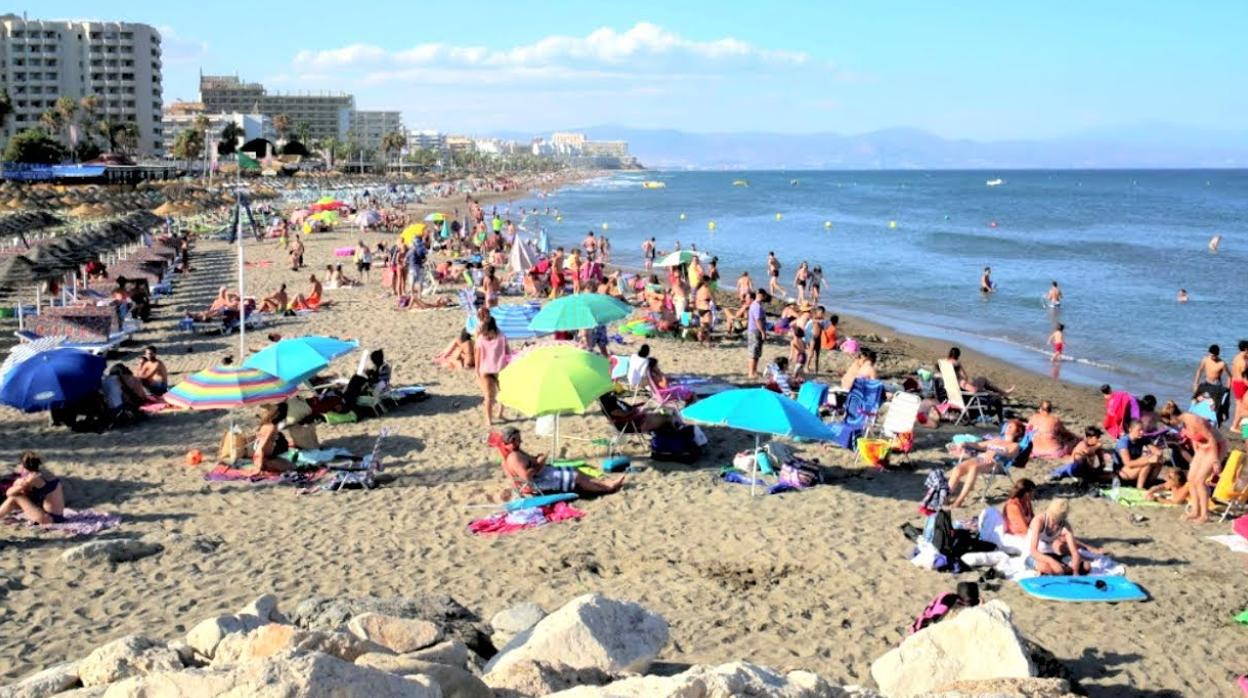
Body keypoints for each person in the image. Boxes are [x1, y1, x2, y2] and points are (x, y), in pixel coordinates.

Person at [499, 427, 624, 495]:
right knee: (576, 477)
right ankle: (608, 489)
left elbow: (529, 465)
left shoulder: (515, 452)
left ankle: (607, 482)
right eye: (518, 439)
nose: (521, 442)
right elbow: (527, 476)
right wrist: (540, 462)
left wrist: (536, 459)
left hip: (542, 474)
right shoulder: (514, 457)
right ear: (512, 440)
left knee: (576, 470)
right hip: (538, 483)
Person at [1159, 401, 1226, 522]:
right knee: (1191, 478)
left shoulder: (1194, 420)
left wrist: (1216, 460)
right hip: (1202, 447)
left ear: (1173, 417)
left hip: (1216, 446)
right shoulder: (1183, 423)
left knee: (1200, 481)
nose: (1171, 426)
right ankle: (1195, 511)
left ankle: (1204, 515)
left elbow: (1211, 439)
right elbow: (1194, 438)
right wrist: (1196, 457)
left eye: (1170, 423)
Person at [947, 419, 1025, 508]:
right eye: (1008, 426)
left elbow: (1010, 454)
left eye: (1011, 427)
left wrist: (997, 452)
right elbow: (979, 445)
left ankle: (959, 500)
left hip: (996, 463)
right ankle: (946, 496)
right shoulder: (997, 440)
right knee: (957, 469)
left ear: (1018, 432)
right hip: (981, 459)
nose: (1007, 428)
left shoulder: (1015, 445)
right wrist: (965, 443)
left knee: (974, 468)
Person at [1027, 499, 1099, 576]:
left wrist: (1075, 570)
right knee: (1048, 567)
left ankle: (1059, 571)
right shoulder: (1039, 521)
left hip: (1051, 554)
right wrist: (1052, 562)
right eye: (1053, 518)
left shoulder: (1065, 526)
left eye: (1057, 519)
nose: (1053, 522)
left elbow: (1074, 552)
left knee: (1086, 566)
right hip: (1034, 555)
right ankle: (1058, 571)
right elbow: (1033, 551)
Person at [0, 451, 65, 525]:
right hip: (57, 516)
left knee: (15, 497)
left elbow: (9, 493)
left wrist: (19, 484)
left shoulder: (32, 478)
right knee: (19, 498)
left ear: (23, 466)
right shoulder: (46, 473)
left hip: (49, 518)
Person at [474, 316, 510, 428]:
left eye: (483, 328)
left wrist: (509, 365)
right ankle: (488, 419)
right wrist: (477, 371)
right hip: (486, 370)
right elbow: (477, 356)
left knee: (503, 394)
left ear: (490, 328)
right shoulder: (480, 339)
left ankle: (500, 414)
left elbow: (507, 352)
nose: (480, 330)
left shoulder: (502, 337)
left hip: (500, 369)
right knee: (489, 396)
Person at [1114, 419, 1166, 488]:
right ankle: (1140, 488)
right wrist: (1148, 460)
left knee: (1159, 462)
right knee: (1147, 463)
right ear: (1130, 429)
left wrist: (1158, 455)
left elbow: (1157, 452)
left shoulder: (1142, 439)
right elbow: (1128, 463)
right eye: (1139, 430)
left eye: (1142, 430)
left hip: (1135, 468)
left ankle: (1149, 484)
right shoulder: (1124, 441)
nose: (1142, 432)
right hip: (1122, 471)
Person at [1192, 344, 1229, 424]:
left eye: (1213, 356)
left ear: (1217, 355)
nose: (1211, 357)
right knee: (1197, 401)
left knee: (1213, 406)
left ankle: (1245, 433)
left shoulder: (1222, 364)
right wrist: (1195, 383)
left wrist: (1227, 388)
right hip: (1206, 383)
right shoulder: (1205, 359)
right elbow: (1199, 370)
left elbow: (1230, 376)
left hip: (1216, 386)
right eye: (1210, 355)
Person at [252, 403, 292, 474]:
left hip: (272, 447)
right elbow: (261, 447)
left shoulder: (268, 424)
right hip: (272, 447)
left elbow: (261, 447)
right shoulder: (269, 425)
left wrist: (258, 467)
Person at [746, 289, 767, 379]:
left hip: (756, 330)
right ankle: (751, 373)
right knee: (753, 352)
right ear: (761, 295)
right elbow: (757, 320)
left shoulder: (757, 305)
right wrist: (762, 332)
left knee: (757, 352)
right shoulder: (756, 306)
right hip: (755, 330)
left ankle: (754, 371)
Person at [1232, 340, 1248, 430]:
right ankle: (1235, 426)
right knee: (1242, 406)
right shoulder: (1243, 362)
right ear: (1246, 349)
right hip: (1241, 384)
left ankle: (1236, 425)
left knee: (1239, 405)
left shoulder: (1236, 357)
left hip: (1235, 382)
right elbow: (1244, 378)